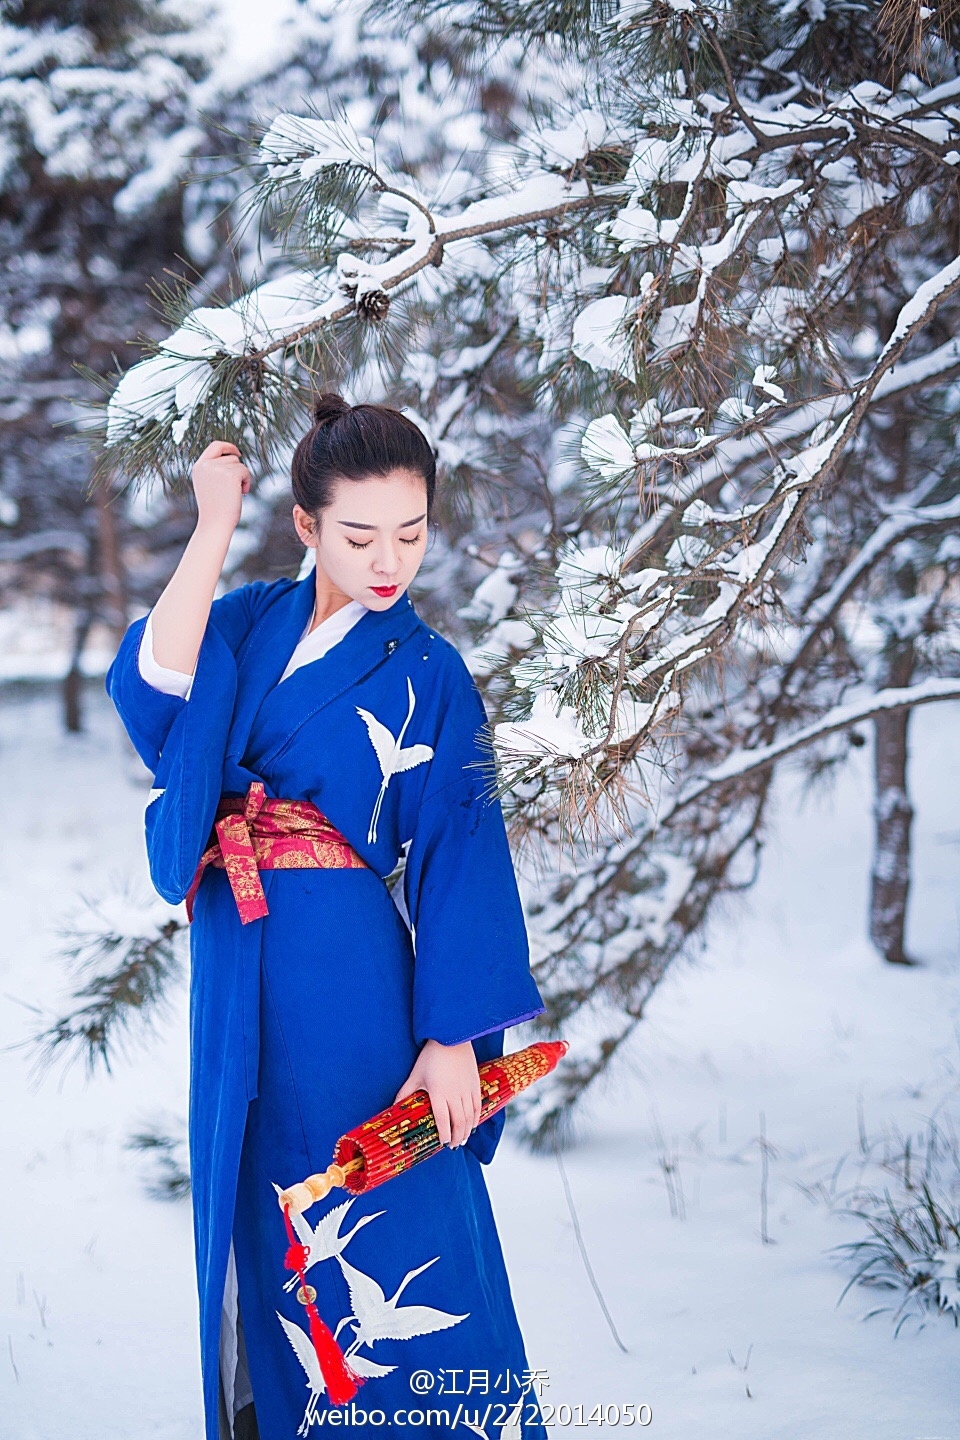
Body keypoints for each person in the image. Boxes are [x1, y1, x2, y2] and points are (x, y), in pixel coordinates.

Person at [106, 395, 547, 1440]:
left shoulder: (429, 671)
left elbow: (460, 853)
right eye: (360, 534)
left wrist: (452, 1041)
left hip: (348, 980)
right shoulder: (250, 619)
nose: (390, 560)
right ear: (306, 526)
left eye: (412, 531)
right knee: (261, 1210)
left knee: (388, 1216)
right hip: (236, 954)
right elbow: (157, 687)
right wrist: (212, 525)